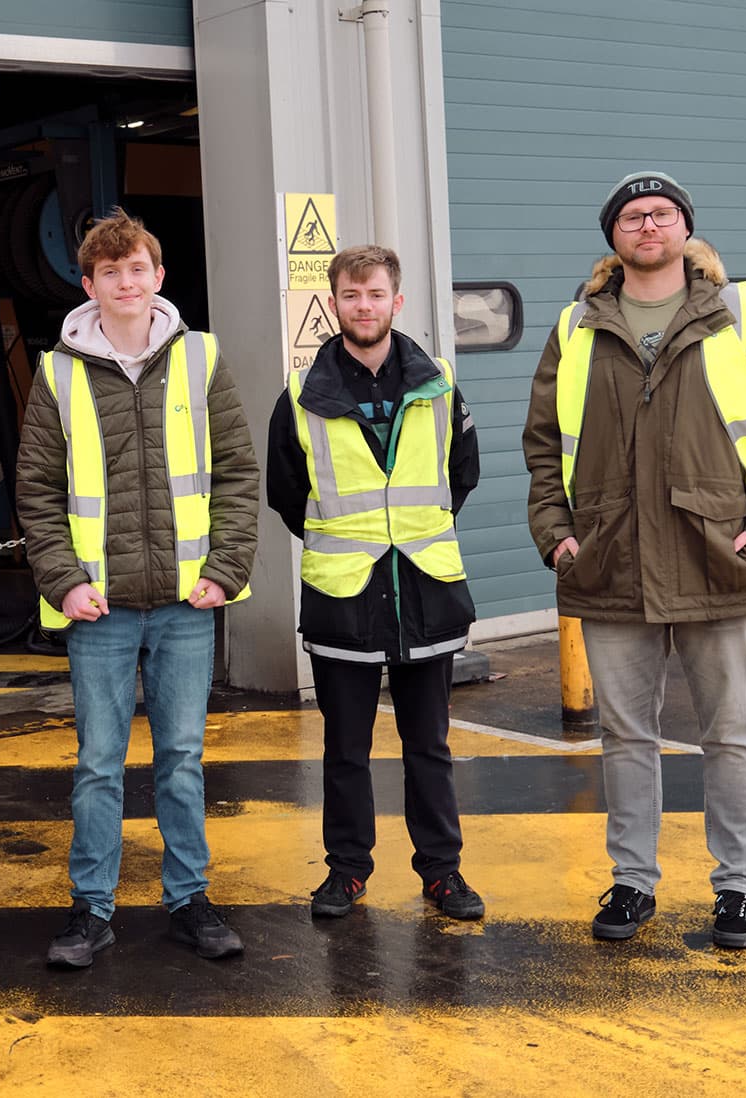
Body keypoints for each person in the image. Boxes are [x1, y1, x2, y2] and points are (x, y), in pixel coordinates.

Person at [522, 170, 746, 948]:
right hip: (610, 560)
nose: (646, 226)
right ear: (611, 237)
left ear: (686, 228)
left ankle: (736, 888)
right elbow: (544, 447)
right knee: (626, 738)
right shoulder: (575, 327)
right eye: (630, 216)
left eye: (662, 214)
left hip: (718, 557)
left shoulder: (742, 313)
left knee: (731, 733)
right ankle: (631, 882)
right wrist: (557, 535)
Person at [15, 209, 259, 966]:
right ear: (89, 285)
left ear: (159, 276)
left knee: (181, 758)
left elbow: (239, 474)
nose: (127, 281)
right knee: (98, 763)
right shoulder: (57, 371)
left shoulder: (202, 358)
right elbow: (36, 491)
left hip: (189, 602)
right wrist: (63, 583)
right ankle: (91, 910)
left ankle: (189, 898)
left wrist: (226, 569)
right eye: (111, 271)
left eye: (139, 268)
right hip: (100, 607)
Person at [266, 244, 484, 923]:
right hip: (343, 599)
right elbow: (286, 495)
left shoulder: (440, 385)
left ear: (398, 301)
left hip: (427, 589)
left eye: (376, 294)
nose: (364, 306)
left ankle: (442, 874)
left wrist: (405, 537)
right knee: (345, 751)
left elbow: (461, 475)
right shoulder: (301, 397)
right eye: (351, 295)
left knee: (430, 747)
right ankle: (347, 872)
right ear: (335, 304)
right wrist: (357, 546)